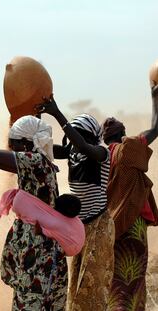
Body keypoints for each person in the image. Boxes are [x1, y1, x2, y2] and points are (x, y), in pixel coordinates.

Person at [0, 102, 68, 310]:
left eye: (14, 144)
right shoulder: (40, 161)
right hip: (41, 252)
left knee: (32, 302)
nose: (11, 149)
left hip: (38, 256)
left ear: (27, 145)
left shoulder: (35, 162)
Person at [38, 97, 115, 311]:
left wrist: (57, 114)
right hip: (79, 226)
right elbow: (46, 149)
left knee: (93, 285)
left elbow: (82, 145)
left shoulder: (101, 153)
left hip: (99, 225)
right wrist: (34, 121)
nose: (73, 140)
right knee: (77, 282)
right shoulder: (72, 151)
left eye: (79, 135)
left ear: (90, 136)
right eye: (72, 135)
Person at [101, 83, 158, 310]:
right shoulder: (129, 149)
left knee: (117, 282)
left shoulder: (100, 156)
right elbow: (155, 129)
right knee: (134, 281)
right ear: (124, 135)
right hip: (133, 225)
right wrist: (155, 99)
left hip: (110, 227)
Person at [0, 190, 85, 257]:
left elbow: (40, 230)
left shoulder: (53, 221)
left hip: (69, 248)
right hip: (74, 246)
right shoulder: (74, 221)